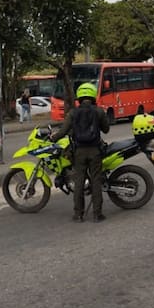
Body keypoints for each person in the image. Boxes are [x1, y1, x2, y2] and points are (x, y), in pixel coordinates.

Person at [49, 83, 111, 223]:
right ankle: (97, 215)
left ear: (80, 97)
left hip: (78, 152)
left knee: (79, 182)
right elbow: (106, 129)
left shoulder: (72, 113)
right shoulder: (99, 111)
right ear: (93, 95)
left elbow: (63, 132)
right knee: (96, 181)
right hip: (95, 151)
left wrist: (53, 138)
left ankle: (78, 215)